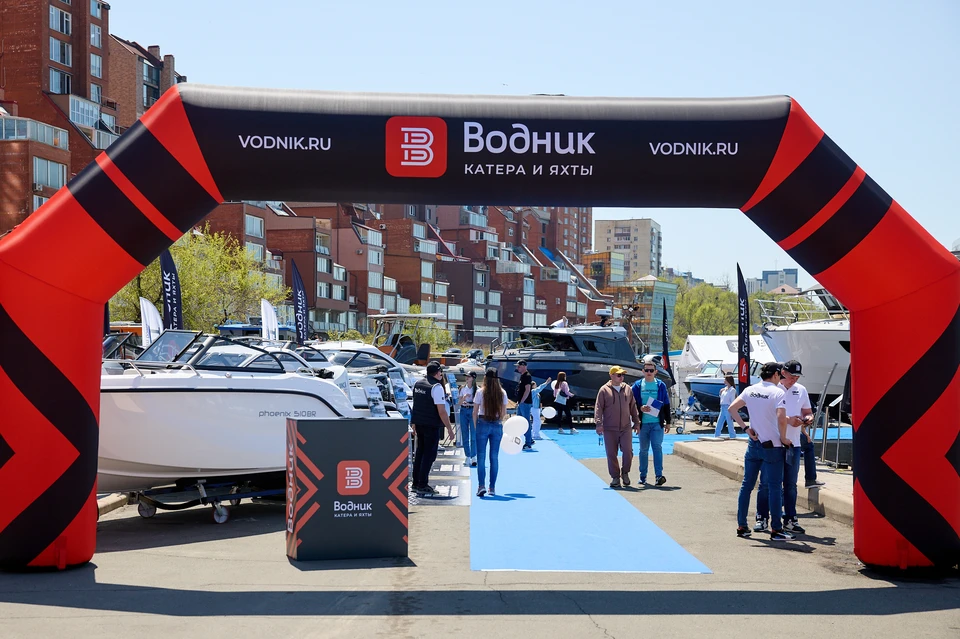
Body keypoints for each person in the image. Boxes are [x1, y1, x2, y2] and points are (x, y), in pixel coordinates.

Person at [728, 361, 794, 540]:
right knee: (774, 487)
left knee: (747, 485)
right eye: (780, 375)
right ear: (775, 375)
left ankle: (742, 525)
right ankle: (776, 530)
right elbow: (781, 417)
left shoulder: (750, 390)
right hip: (772, 446)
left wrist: (745, 428)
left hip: (754, 443)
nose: (781, 378)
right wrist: (783, 437)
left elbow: (732, 408)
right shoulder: (778, 392)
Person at [411, 361, 456, 496]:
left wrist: (413, 423)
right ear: (438, 373)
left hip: (420, 423)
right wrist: (449, 428)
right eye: (440, 372)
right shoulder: (436, 387)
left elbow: (416, 405)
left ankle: (415, 482)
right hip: (431, 425)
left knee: (419, 453)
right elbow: (442, 411)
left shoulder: (418, 384)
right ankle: (422, 484)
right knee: (429, 455)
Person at [595, 365, 641, 488]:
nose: (622, 377)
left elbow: (633, 407)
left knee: (628, 451)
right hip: (609, 428)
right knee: (611, 453)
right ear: (611, 375)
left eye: (623, 375)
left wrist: (636, 422)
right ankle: (615, 477)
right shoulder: (604, 390)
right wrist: (599, 423)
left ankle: (625, 472)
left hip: (625, 427)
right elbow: (599, 407)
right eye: (619, 375)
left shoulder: (628, 389)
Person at [631, 362, 673, 486]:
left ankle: (658, 476)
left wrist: (668, 422)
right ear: (643, 371)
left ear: (655, 371)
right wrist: (640, 408)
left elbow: (666, 404)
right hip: (643, 423)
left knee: (657, 448)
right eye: (646, 370)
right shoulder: (638, 386)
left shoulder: (660, 385)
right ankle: (643, 476)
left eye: (651, 370)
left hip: (656, 424)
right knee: (643, 450)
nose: (649, 373)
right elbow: (631, 404)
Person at [473, 367, 508, 497]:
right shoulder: (502, 393)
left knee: (481, 457)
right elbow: (504, 412)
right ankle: (492, 487)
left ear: (485, 378)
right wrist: (499, 420)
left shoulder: (481, 392)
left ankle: (481, 485)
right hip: (497, 423)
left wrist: (476, 425)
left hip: (483, 422)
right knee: (494, 457)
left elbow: (474, 412)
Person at [458, 371, 478, 467]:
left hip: (472, 411)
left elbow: (478, 404)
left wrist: (470, 403)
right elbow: (459, 402)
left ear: (473, 378)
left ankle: (474, 456)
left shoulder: (477, 389)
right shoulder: (462, 388)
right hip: (463, 411)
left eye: (469, 376)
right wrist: (464, 398)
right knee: (465, 434)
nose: (467, 378)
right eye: (466, 376)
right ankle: (468, 456)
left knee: (473, 435)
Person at [515, 360, 534, 449]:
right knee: (519, 422)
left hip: (525, 403)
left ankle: (528, 442)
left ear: (524, 366)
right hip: (522, 402)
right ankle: (528, 438)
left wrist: (522, 401)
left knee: (525, 422)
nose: (517, 368)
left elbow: (527, 390)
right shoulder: (522, 376)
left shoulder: (527, 376)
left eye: (519, 366)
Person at [530, 376, 553, 440]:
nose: (536, 386)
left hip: (536, 408)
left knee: (535, 421)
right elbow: (540, 388)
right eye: (535, 385)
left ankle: (533, 433)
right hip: (534, 408)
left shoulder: (535, 392)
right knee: (537, 421)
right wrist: (546, 383)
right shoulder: (533, 391)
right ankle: (536, 434)